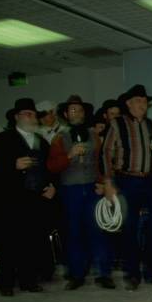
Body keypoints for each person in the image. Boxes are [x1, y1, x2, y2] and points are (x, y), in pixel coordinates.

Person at [101, 84, 152, 291]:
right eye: (138, 101)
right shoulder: (117, 124)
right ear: (128, 104)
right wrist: (108, 183)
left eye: (145, 101)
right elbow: (106, 154)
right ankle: (132, 273)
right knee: (129, 228)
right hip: (127, 180)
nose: (142, 105)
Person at [47, 95, 115, 290]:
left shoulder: (94, 136)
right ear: (66, 115)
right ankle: (77, 275)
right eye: (73, 110)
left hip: (93, 188)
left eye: (80, 110)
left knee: (99, 230)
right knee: (74, 233)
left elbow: (102, 162)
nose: (77, 113)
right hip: (71, 190)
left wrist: (104, 184)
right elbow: (51, 167)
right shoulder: (59, 138)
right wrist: (69, 155)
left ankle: (103, 274)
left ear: (85, 114)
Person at [0, 98, 56, 296]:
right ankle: (7, 282)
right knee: (9, 241)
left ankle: (29, 280)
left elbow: (49, 169)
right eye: (27, 114)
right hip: (10, 198)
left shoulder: (42, 142)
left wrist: (52, 186)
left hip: (35, 198)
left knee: (33, 240)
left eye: (34, 114)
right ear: (17, 117)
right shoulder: (3, 139)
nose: (32, 117)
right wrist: (13, 165)